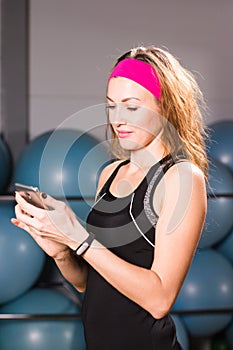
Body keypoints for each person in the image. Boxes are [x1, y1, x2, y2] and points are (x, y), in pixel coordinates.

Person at [12, 46, 209, 350]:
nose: (118, 118)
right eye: (111, 105)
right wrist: (61, 250)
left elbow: (159, 300)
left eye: (131, 106)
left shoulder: (181, 178)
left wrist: (80, 238)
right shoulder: (110, 174)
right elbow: (90, 285)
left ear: (165, 106)